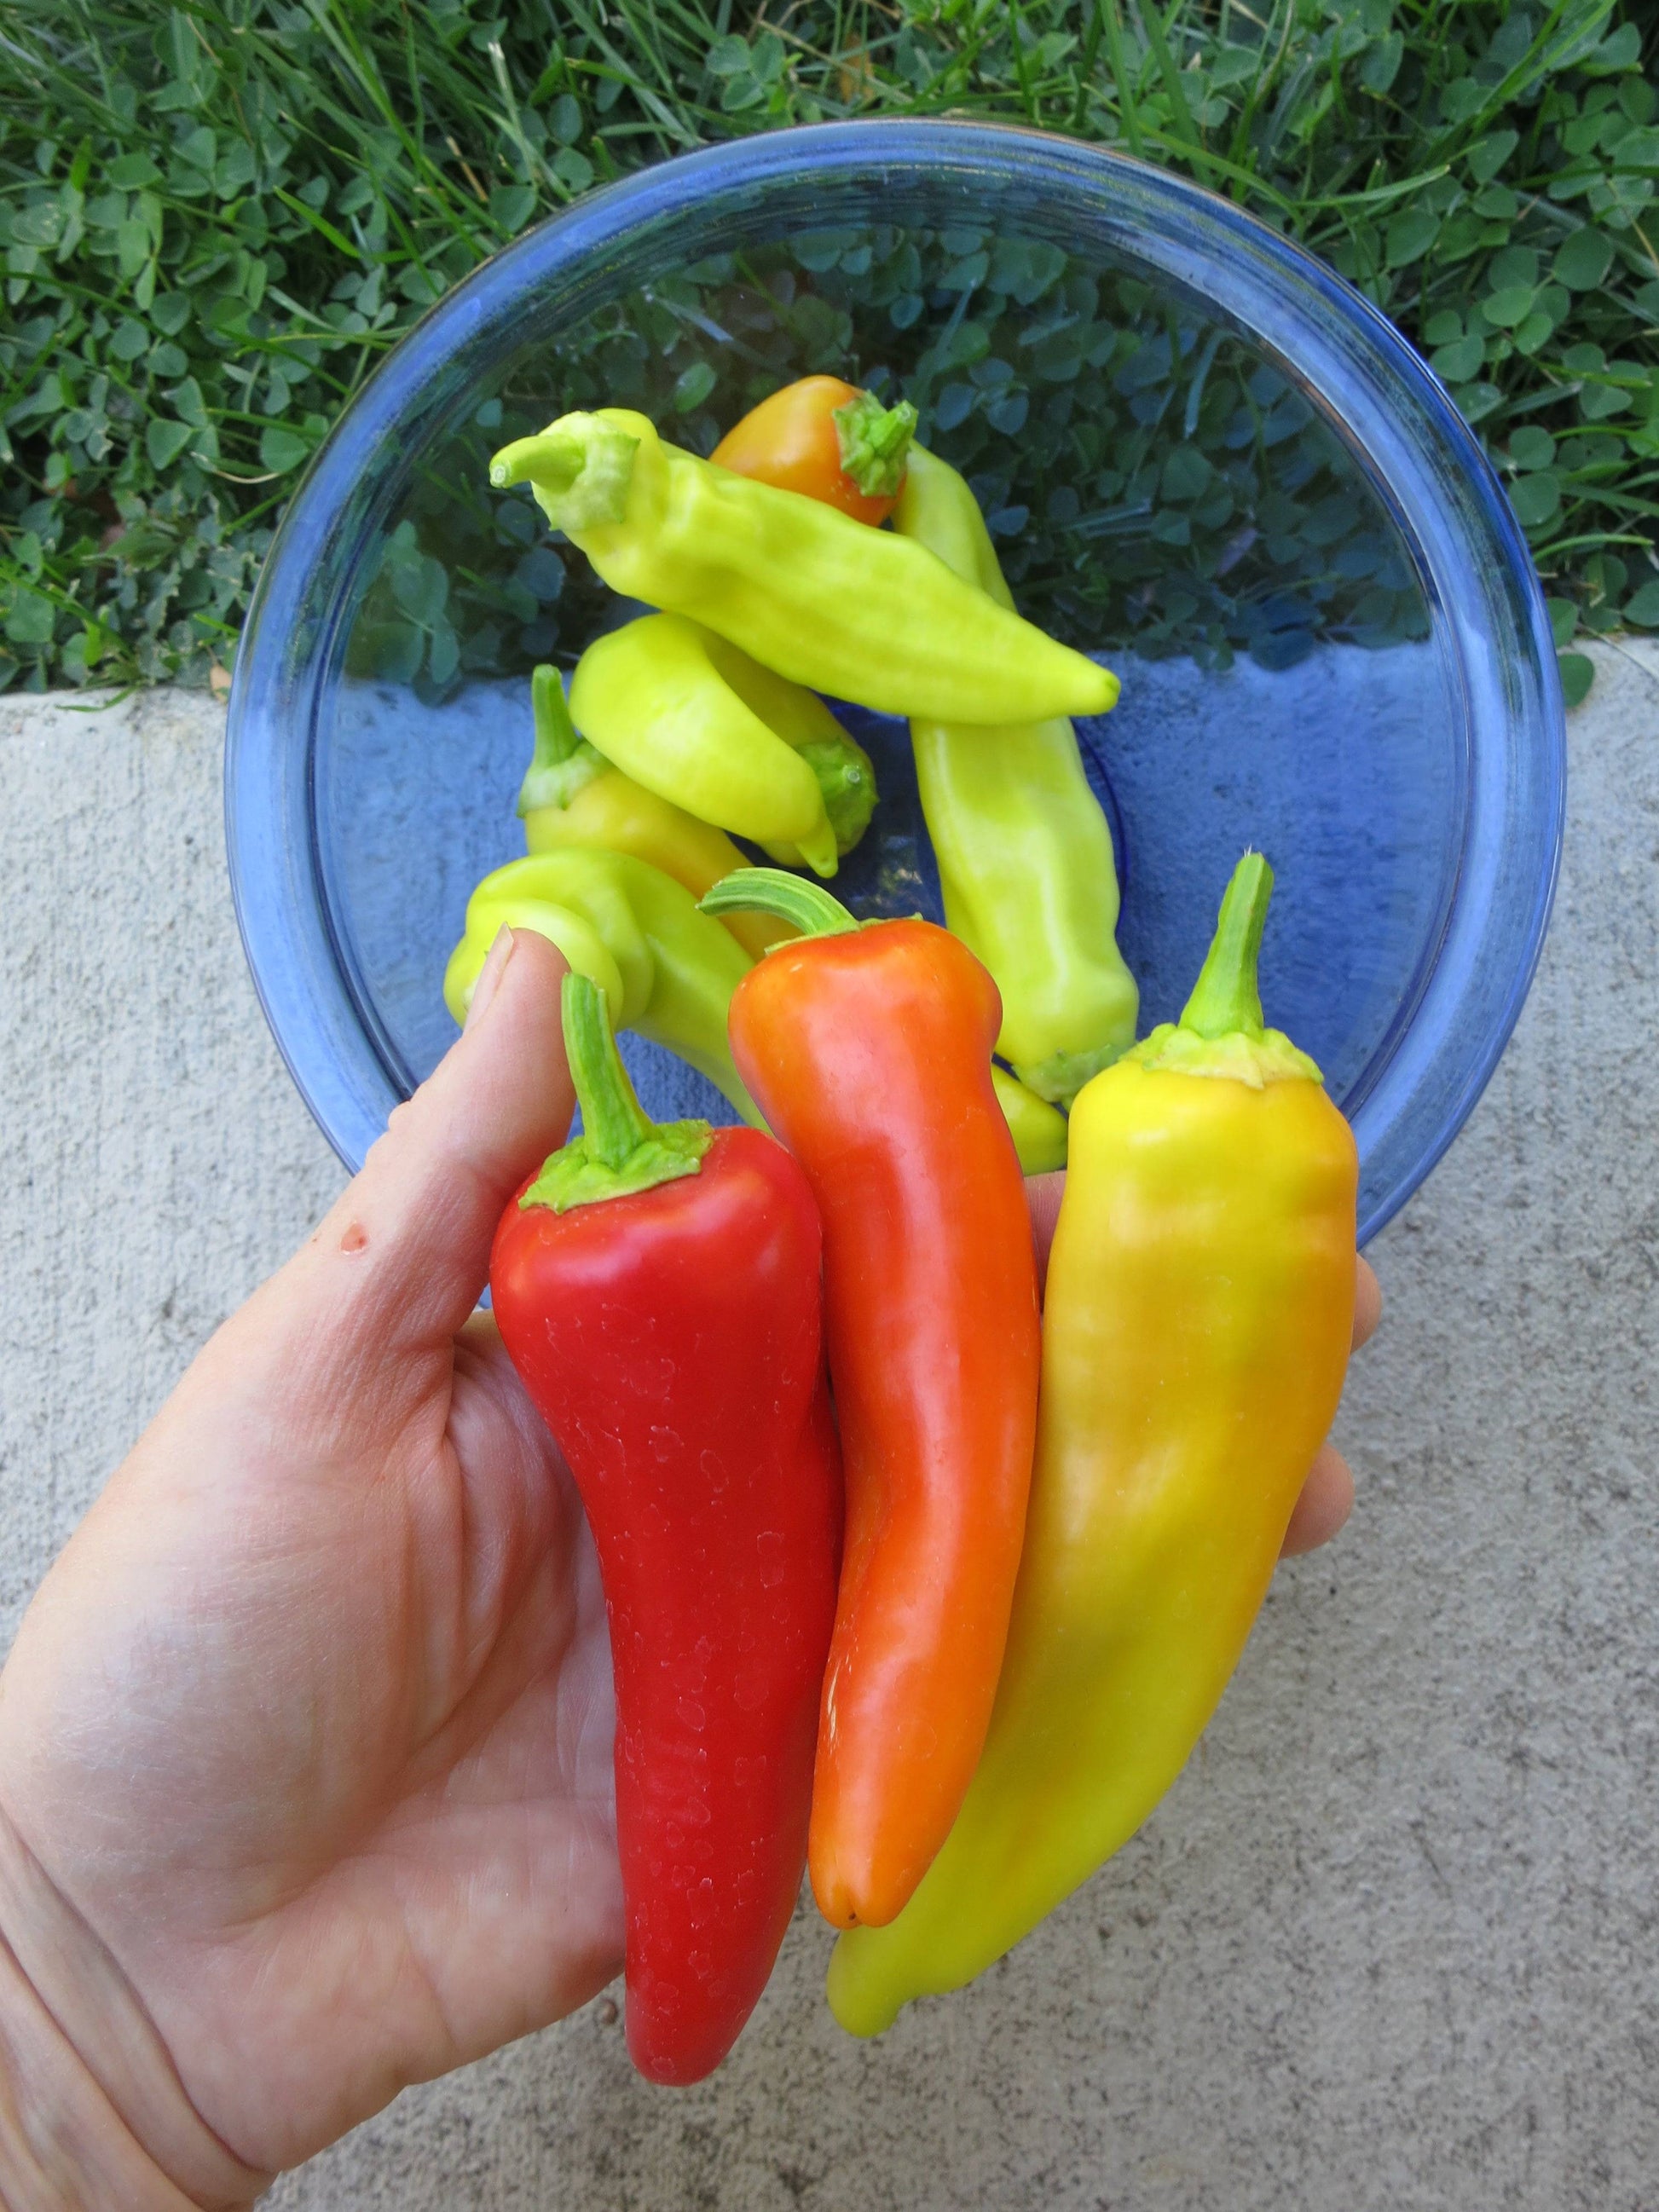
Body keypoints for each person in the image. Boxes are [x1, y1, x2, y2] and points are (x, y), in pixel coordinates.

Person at [0, 927, 1380, 2203]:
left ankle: (890, 1932)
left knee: (1008, 1493)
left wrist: (68, 2019)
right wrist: (59, 2014)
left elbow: (919, 1459)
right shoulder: (644, 1233)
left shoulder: (631, 1230)